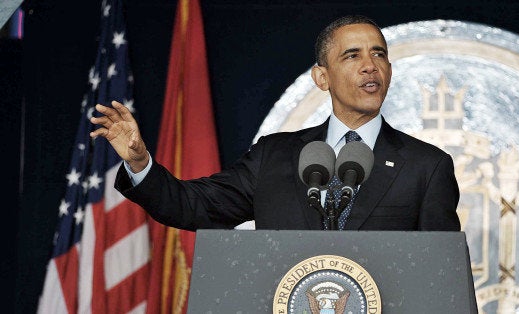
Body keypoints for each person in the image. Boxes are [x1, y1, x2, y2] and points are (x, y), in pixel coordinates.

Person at [89, 14, 461, 232]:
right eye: (352, 56)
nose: (370, 65)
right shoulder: (274, 156)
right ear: (321, 77)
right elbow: (192, 205)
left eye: (379, 54)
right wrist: (139, 163)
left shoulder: (426, 167)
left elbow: (441, 276)